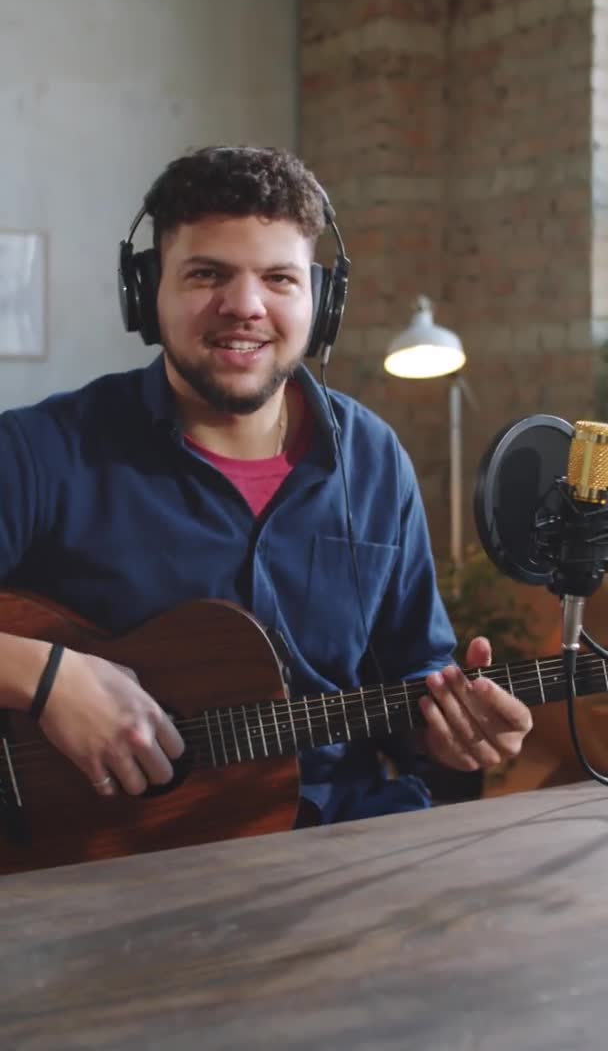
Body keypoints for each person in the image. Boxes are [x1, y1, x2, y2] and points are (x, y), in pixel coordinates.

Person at [0, 145, 532, 825]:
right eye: (206, 274)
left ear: (322, 302)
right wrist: (46, 679)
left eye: (279, 279)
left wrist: (456, 733)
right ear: (145, 292)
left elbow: (411, 683)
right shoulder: (44, 450)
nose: (244, 306)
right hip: (116, 871)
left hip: (342, 839)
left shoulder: (372, 460)